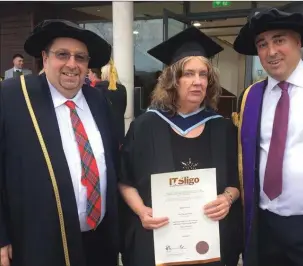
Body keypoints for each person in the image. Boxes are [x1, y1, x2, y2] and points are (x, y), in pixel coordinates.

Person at [119, 26, 243, 266]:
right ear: (172, 80)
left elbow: (237, 182)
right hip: (158, 242)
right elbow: (125, 180)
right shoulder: (145, 126)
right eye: (188, 74)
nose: (197, 82)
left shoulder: (223, 129)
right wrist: (141, 211)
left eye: (203, 74)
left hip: (210, 246)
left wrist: (227, 198)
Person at [0, 19, 120, 266]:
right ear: (45, 58)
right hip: (39, 242)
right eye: (62, 54)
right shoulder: (13, 98)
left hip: (99, 243)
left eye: (81, 58)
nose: (72, 65)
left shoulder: (98, 101)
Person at [232, 8, 303, 266]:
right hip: (264, 226)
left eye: (279, 40)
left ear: (299, 42)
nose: (271, 52)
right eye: (262, 44)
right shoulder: (252, 96)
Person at [95, 60, 127, 145]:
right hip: (119, 128)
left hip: (105, 128)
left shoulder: (98, 89)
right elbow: (123, 108)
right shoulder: (122, 89)